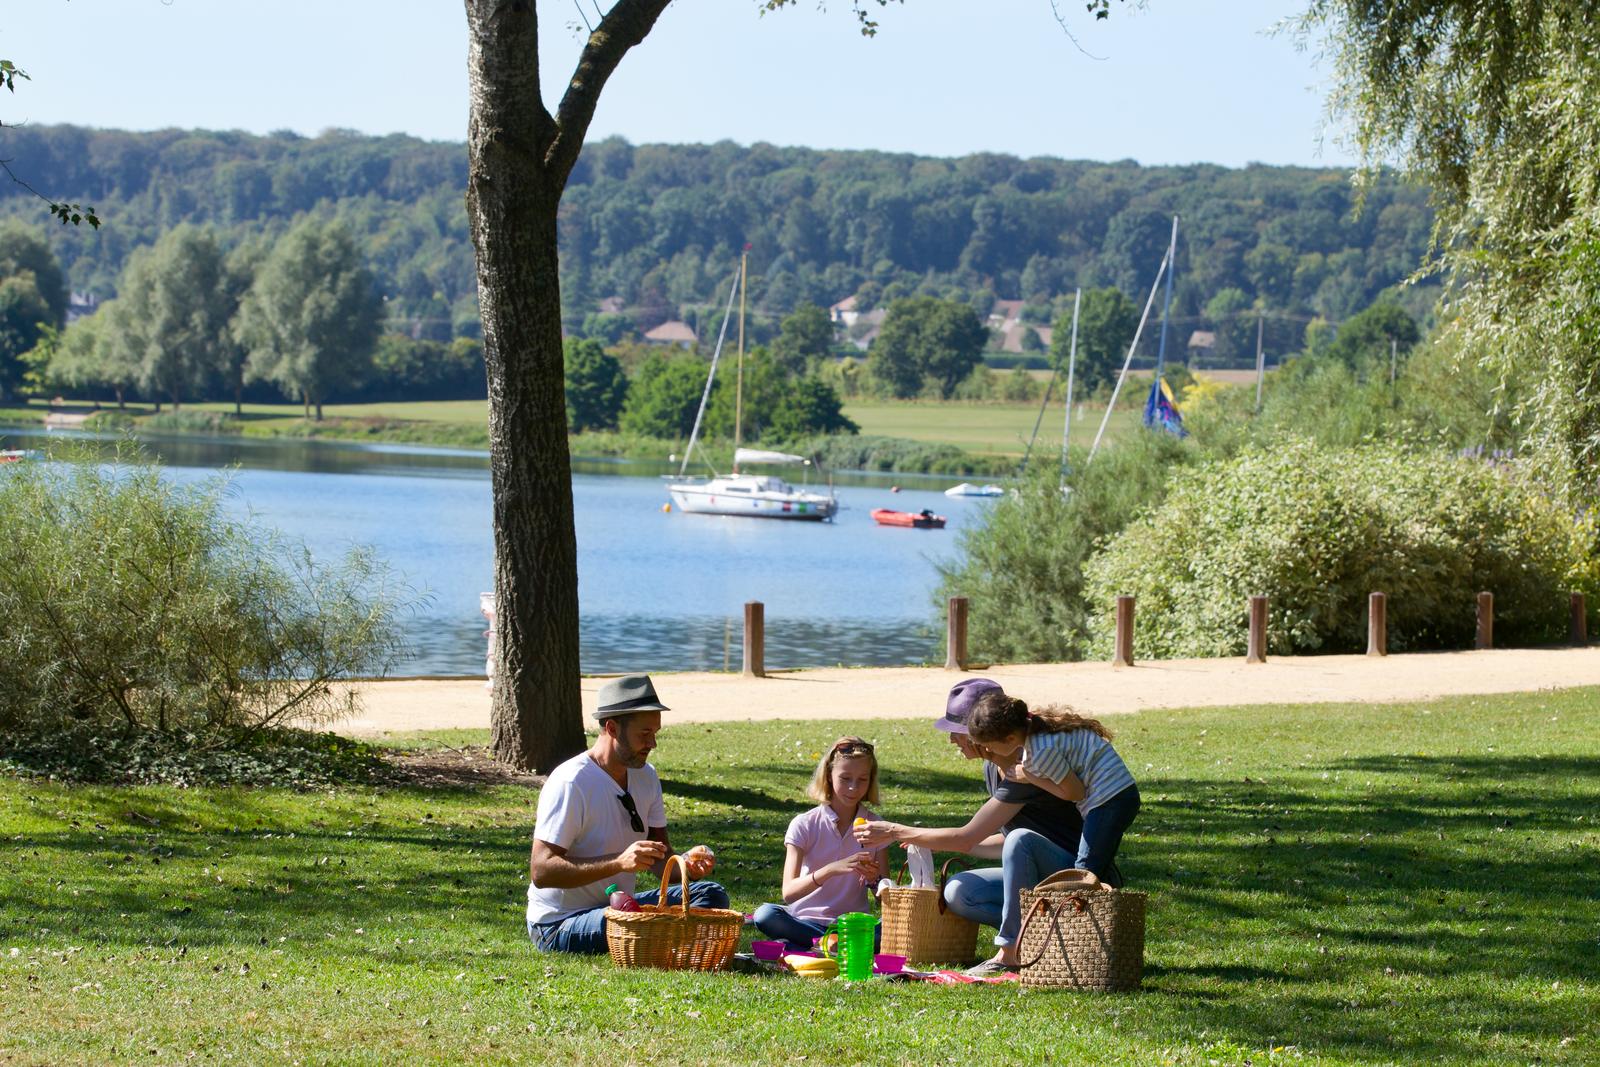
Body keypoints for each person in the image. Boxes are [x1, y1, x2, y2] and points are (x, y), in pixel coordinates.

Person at [853, 678, 1086, 977]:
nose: (952, 739)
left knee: (1019, 839)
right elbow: (1004, 844)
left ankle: (1010, 952)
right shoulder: (993, 766)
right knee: (959, 892)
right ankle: (1047, 937)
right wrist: (930, 841)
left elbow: (970, 837)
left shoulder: (1023, 767)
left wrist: (896, 830)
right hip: (1036, 870)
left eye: (957, 731)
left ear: (982, 731)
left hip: (1070, 873)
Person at [525, 673, 728, 954]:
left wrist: (686, 865)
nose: (652, 743)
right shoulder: (572, 782)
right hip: (561, 923)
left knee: (710, 895)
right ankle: (661, 936)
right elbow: (542, 871)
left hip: (622, 908)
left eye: (655, 733)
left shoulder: (646, 776)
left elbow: (660, 858)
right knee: (634, 922)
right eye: (644, 734)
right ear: (612, 728)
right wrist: (619, 863)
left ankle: (655, 934)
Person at [964, 689, 1140, 888]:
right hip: (1118, 794)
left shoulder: (1041, 752)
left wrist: (1030, 777)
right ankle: (1098, 898)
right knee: (1091, 866)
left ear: (1010, 739)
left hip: (1109, 800)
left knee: (1083, 872)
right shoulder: (1038, 728)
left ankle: (1088, 903)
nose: (988, 750)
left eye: (990, 745)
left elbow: (1075, 793)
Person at [752, 737, 889, 949]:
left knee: (891, 927)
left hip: (852, 926)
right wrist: (830, 870)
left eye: (862, 779)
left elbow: (887, 903)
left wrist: (874, 881)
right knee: (766, 914)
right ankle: (831, 945)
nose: (853, 788)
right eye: (845, 778)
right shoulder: (805, 823)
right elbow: (788, 893)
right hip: (806, 922)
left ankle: (811, 946)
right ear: (828, 776)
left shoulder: (875, 826)